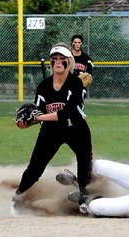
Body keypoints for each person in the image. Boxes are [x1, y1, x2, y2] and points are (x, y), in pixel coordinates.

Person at [11, 42, 93, 214]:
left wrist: (38, 117)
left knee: (84, 160)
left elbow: (67, 113)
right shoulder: (44, 86)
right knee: (35, 168)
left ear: (68, 61)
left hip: (76, 128)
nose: (57, 62)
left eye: (62, 59)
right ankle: (18, 198)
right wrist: (25, 123)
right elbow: (39, 112)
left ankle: (84, 196)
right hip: (51, 131)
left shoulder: (75, 84)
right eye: (54, 58)